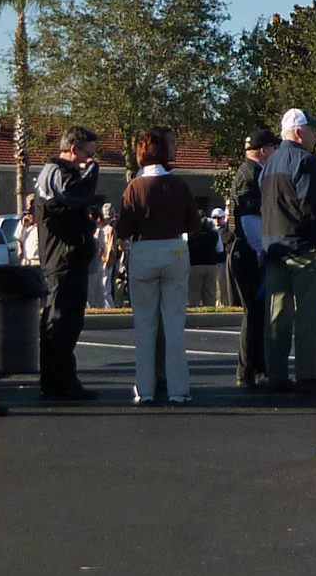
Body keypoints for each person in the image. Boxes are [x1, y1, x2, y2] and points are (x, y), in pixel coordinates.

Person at [117, 127, 197, 404]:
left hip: (143, 250)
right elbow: (193, 224)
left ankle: (145, 389)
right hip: (174, 248)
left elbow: (123, 229)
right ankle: (179, 390)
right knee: (175, 325)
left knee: (145, 324)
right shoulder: (179, 185)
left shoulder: (134, 187)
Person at [258, 108, 316, 391]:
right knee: (308, 315)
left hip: (274, 247)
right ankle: (307, 374)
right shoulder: (306, 161)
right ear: (299, 132)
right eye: (313, 130)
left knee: (277, 316)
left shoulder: (269, 163)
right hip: (303, 249)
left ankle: (276, 373)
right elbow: (311, 206)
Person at [33, 123, 103, 401]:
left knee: (69, 320)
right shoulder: (55, 175)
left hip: (68, 257)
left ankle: (61, 378)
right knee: (60, 320)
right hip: (61, 259)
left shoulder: (62, 174)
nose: (91, 160)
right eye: (88, 154)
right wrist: (91, 173)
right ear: (73, 150)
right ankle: (57, 382)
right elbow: (75, 196)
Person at [227, 130, 270, 388]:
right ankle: (248, 369)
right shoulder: (251, 175)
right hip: (247, 251)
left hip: (244, 250)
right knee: (254, 313)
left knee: (256, 313)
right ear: (264, 150)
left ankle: (255, 366)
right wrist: (262, 250)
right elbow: (249, 218)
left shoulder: (246, 171)